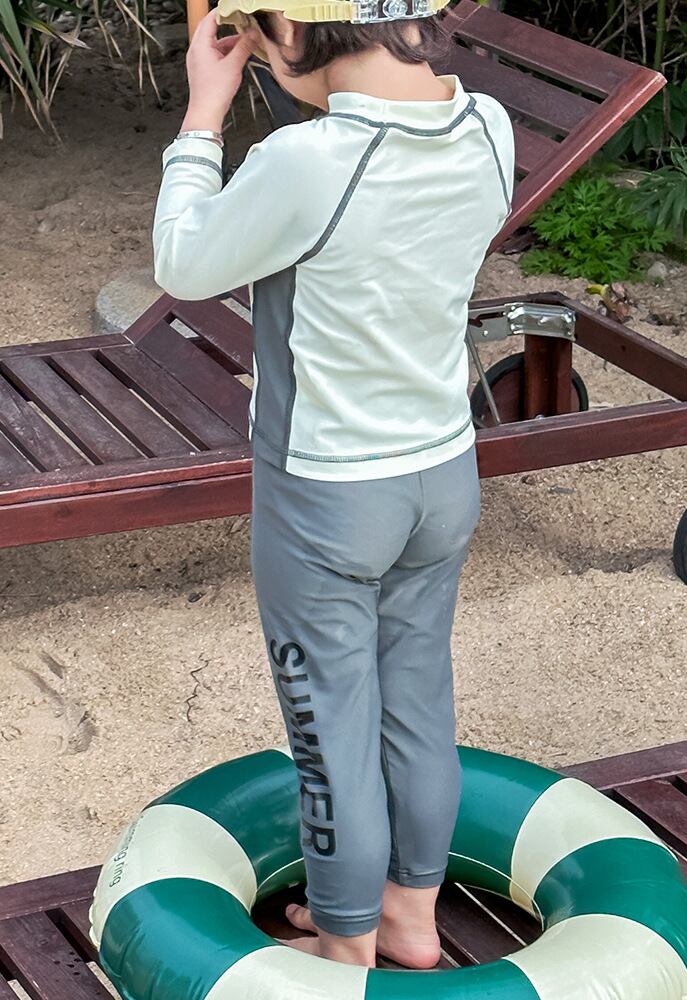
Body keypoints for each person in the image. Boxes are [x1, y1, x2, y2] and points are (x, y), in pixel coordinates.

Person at [152, 0, 514, 971]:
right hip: (443, 472)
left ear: (297, 33)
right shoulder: (490, 126)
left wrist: (203, 114)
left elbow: (182, 262)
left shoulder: (306, 161)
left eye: (262, 31)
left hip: (328, 494)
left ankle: (347, 944)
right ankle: (410, 914)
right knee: (418, 697)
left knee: (330, 728)